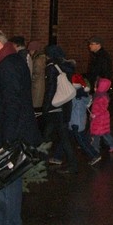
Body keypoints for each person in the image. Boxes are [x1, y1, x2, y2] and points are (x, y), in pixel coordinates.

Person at [0, 29, 41, 225]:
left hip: (9, 140)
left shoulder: (7, 65)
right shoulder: (9, 62)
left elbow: (13, 106)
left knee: (6, 186)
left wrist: (5, 144)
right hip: (10, 137)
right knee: (9, 185)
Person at [42, 45, 78, 174]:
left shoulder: (52, 67)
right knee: (57, 134)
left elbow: (51, 88)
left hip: (55, 106)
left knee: (56, 135)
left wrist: (46, 106)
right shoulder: (66, 66)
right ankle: (70, 163)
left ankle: (72, 164)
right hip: (65, 105)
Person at [69, 73, 101, 166]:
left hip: (76, 122)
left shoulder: (76, 97)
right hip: (80, 121)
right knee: (75, 138)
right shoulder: (83, 95)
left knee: (82, 141)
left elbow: (73, 108)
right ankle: (57, 156)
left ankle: (94, 155)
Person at [89, 77, 113, 153]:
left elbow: (101, 109)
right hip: (101, 118)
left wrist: (95, 114)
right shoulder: (100, 95)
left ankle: (95, 148)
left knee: (97, 133)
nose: (94, 88)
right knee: (104, 133)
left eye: (96, 86)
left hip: (99, 118)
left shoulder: (100, 97)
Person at [28, 40, 46, 113]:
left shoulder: (38, 60)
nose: (29, 52)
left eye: (31, 50)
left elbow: (37, 73)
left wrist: (30, 78)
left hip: (37, 86)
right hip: (39, 85)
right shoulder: (41, 58)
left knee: (36, 107)